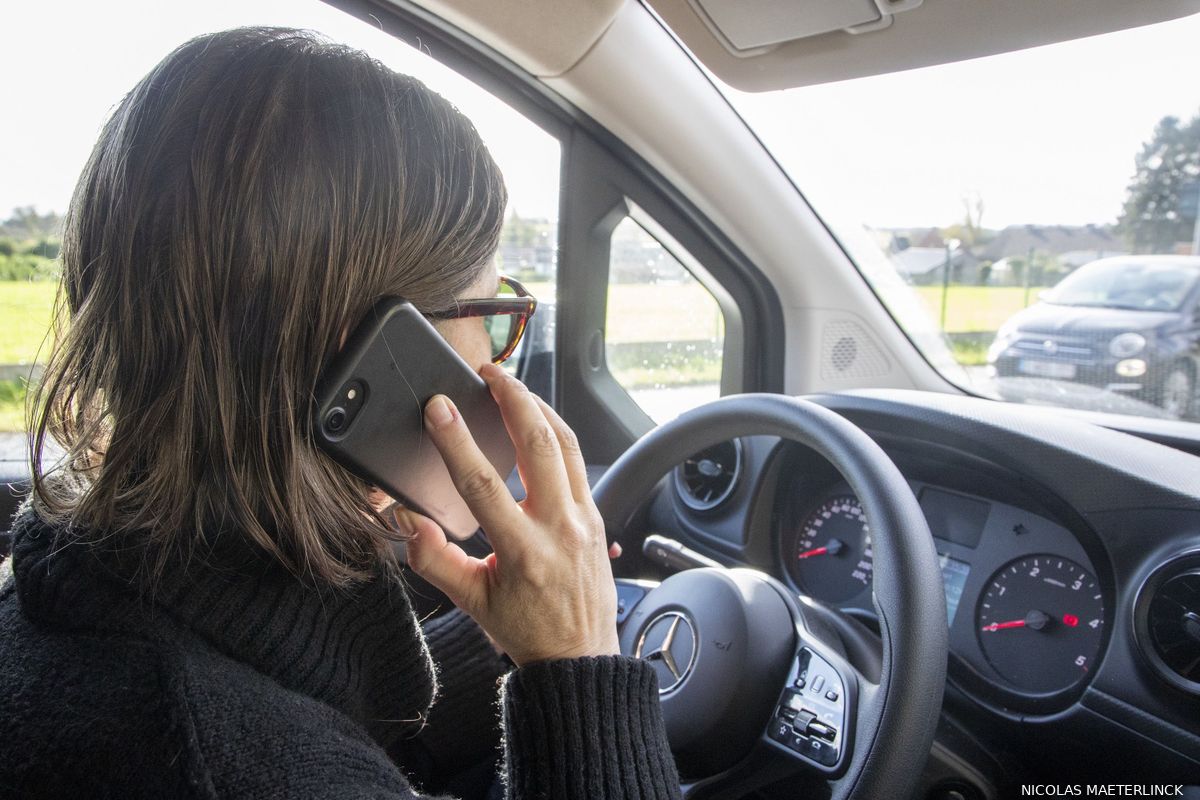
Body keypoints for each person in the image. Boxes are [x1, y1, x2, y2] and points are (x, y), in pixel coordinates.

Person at [0, 27, 681, 799]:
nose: (496, 362)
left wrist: (514, 642)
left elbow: (309, 696)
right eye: (494, 316)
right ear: (363, 354)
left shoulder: (74, 593)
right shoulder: (245, 766)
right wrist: (581, 670)